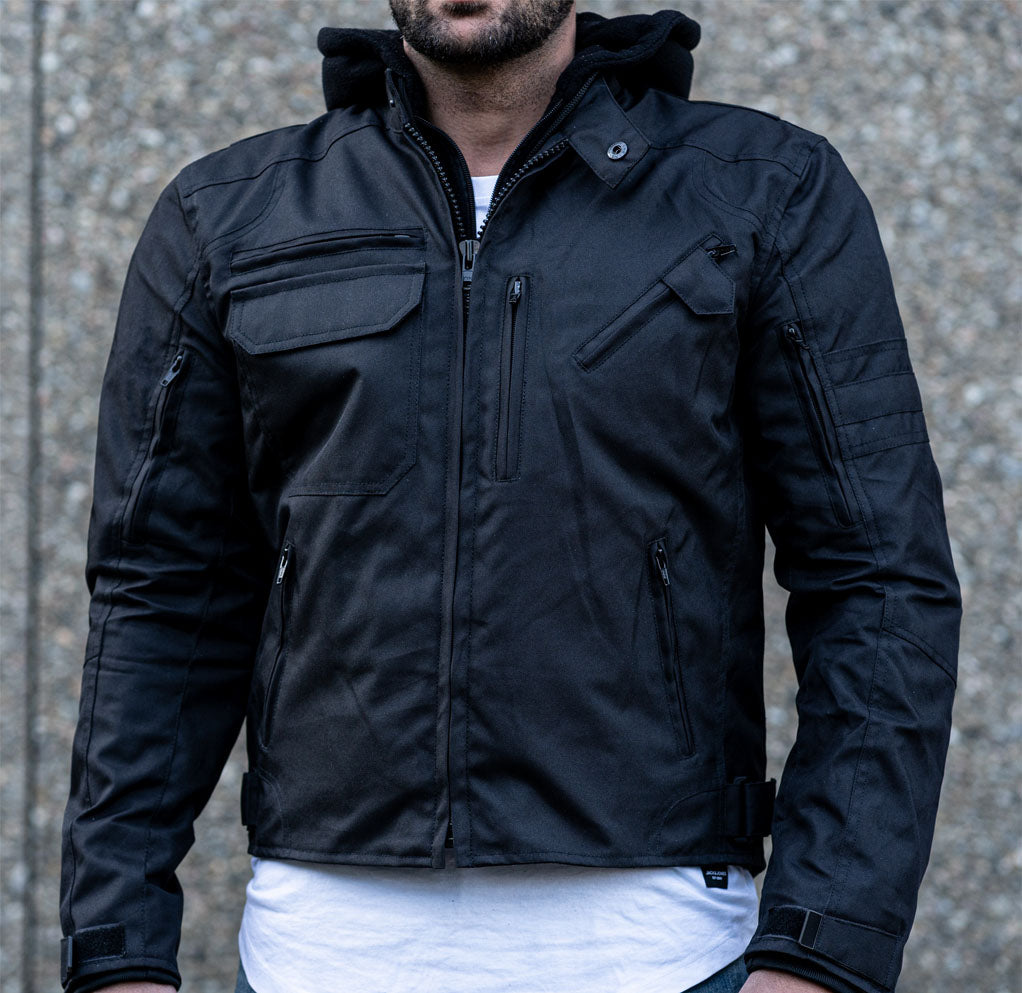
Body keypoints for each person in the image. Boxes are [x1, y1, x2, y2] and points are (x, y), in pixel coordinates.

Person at [58, 2, 961, 992]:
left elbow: (878, 582)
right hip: (313, 957)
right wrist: (116, 949)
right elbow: (160, 594)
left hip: (664, 955)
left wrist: (821, 950)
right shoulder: (232, 213)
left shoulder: (762, 191)